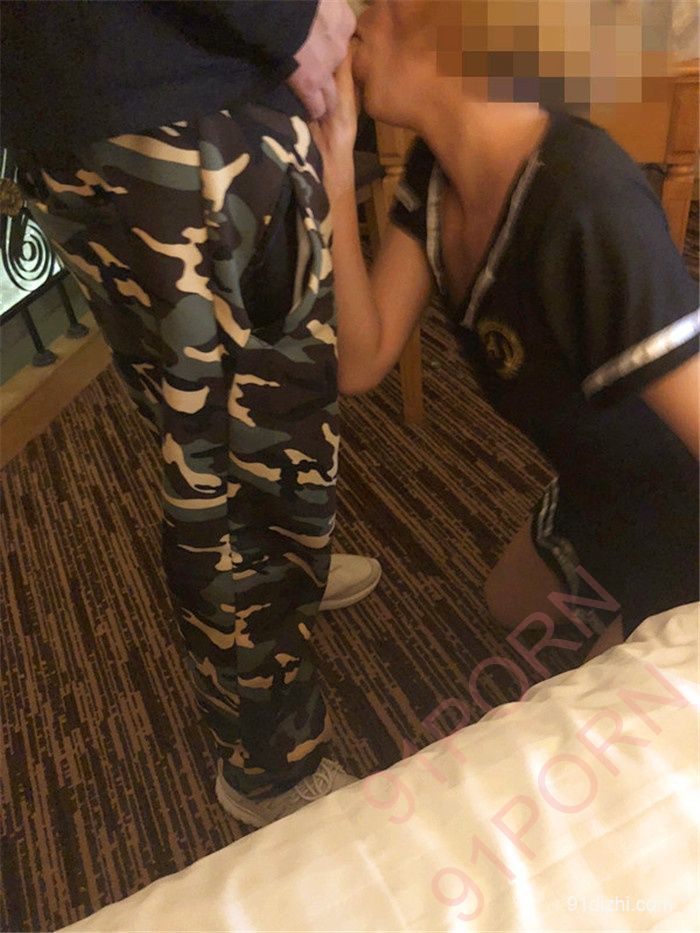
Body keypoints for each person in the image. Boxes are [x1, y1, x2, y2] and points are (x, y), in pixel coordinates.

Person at [1, 0, 382, 829]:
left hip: (154, 85)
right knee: (243, 462)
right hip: (175, 97)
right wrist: (287, 15)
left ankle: (285, 590)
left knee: (225, 430)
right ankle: (270, 762)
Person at [312, 0, 699, 662]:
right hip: (603, 480)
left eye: (373, 3)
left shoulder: (583, 202)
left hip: (682, 507)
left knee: (593, 696)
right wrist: (336, 175)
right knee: (510, 602)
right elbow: (360, 360)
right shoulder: (438, 171)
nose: (353, 21)